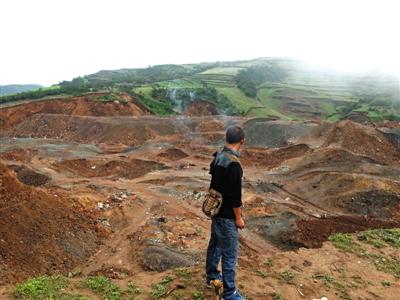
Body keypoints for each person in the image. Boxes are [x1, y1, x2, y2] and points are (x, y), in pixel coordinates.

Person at [205, 125, 245, 300]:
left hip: (216, 210)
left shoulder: (218, 157)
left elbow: (215, 186)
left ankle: (212, 277)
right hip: (228, 215)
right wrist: (239, 218)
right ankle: (229, 294)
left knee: (215, 244)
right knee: (229, 254)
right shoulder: (234, 164)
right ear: (242, 142)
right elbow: (235, 197)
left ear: (226, 139)